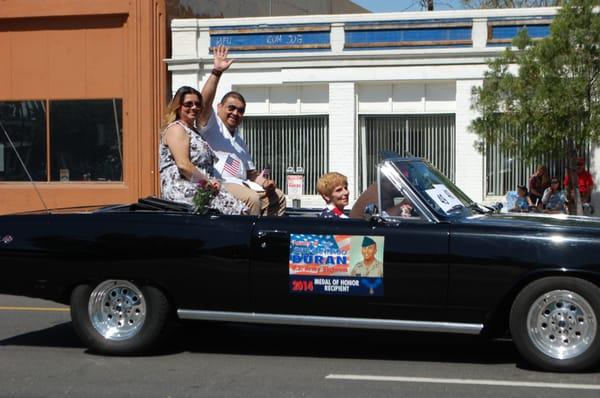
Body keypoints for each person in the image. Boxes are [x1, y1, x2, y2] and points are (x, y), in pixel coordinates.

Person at [198, 45, 286, 216]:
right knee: (251, 199)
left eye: (240, 110)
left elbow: (251, 174)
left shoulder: (240, 142)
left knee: (279, 197)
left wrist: (265, 183)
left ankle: (268, 238)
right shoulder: (211, 125)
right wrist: (216, 72)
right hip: (219, 184)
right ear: (219, 107)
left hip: (243, 184)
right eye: (231, 108)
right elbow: (203, 104)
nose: (235, 113)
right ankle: (247, 240)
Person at [159, 85, 247, 214]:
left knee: (241, 210)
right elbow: (183, 165)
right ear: (178, 107)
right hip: (184, 189)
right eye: (188, 104)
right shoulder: (176, 129)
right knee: (238, 211)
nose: (194, 107)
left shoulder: (194, 131)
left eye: (197, 104)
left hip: (202, 186)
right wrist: (207, 182)